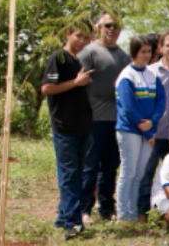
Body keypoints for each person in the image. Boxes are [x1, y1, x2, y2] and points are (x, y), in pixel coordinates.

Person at [40, 22, 96, 239]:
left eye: (86, 38)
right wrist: (76, 82)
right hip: (65, 127)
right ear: (68, 34)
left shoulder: (77, 60)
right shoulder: (59, 58)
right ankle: (72, 223)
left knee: (77, 174)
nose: (82, 41)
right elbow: (46, 88)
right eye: (78, 36)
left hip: (82, 126)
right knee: (70, 175)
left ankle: (64, 216)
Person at [79, 12, 130, 222]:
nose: (112, 29)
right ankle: (83, 209)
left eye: (116, 26)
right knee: (90, 166)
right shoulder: (89, 52)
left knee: (111, 166)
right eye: (108, 25)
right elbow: (78, 82)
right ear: (99, 27)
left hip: (116, 120)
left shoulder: (124, 56)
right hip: (93, 119)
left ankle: (107, 207)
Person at [114, 35, 165, 225]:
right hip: (129, 130)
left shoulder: (152, 75)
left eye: (149, 52)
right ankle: (122, 214)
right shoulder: (127, 76)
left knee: (140, 173)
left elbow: (161, 101)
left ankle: (133, 211)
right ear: (134, 52)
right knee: (128, 171)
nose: (146, 55)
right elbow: (128, 107)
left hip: (148, 131)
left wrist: (153, 122)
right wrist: (146, 130)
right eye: (142, 51)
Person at [138, 30, 169, 218]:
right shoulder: (149, 71)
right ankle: (142, 210)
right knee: (146, 172)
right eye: (168, 45)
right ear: (160, 48)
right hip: (153, 132)